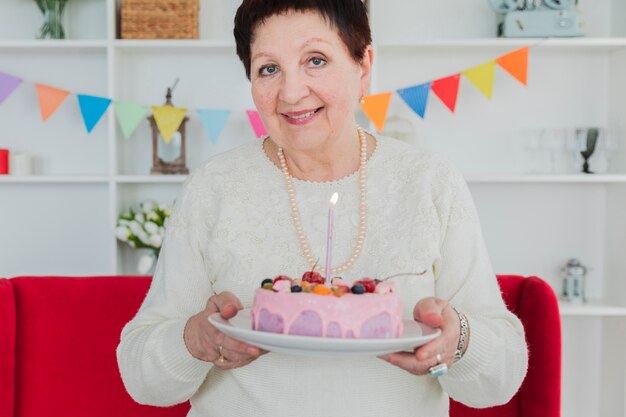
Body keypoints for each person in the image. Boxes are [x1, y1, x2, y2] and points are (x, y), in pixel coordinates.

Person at [116, 1, 528, 416]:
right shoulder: (213, 186)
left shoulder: (429, 181)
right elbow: (141, 379)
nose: (291, 92)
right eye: (268, 68)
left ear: (363, 66)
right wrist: (194, 340)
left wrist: (459, 342)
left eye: (316, 60)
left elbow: (500, 380)